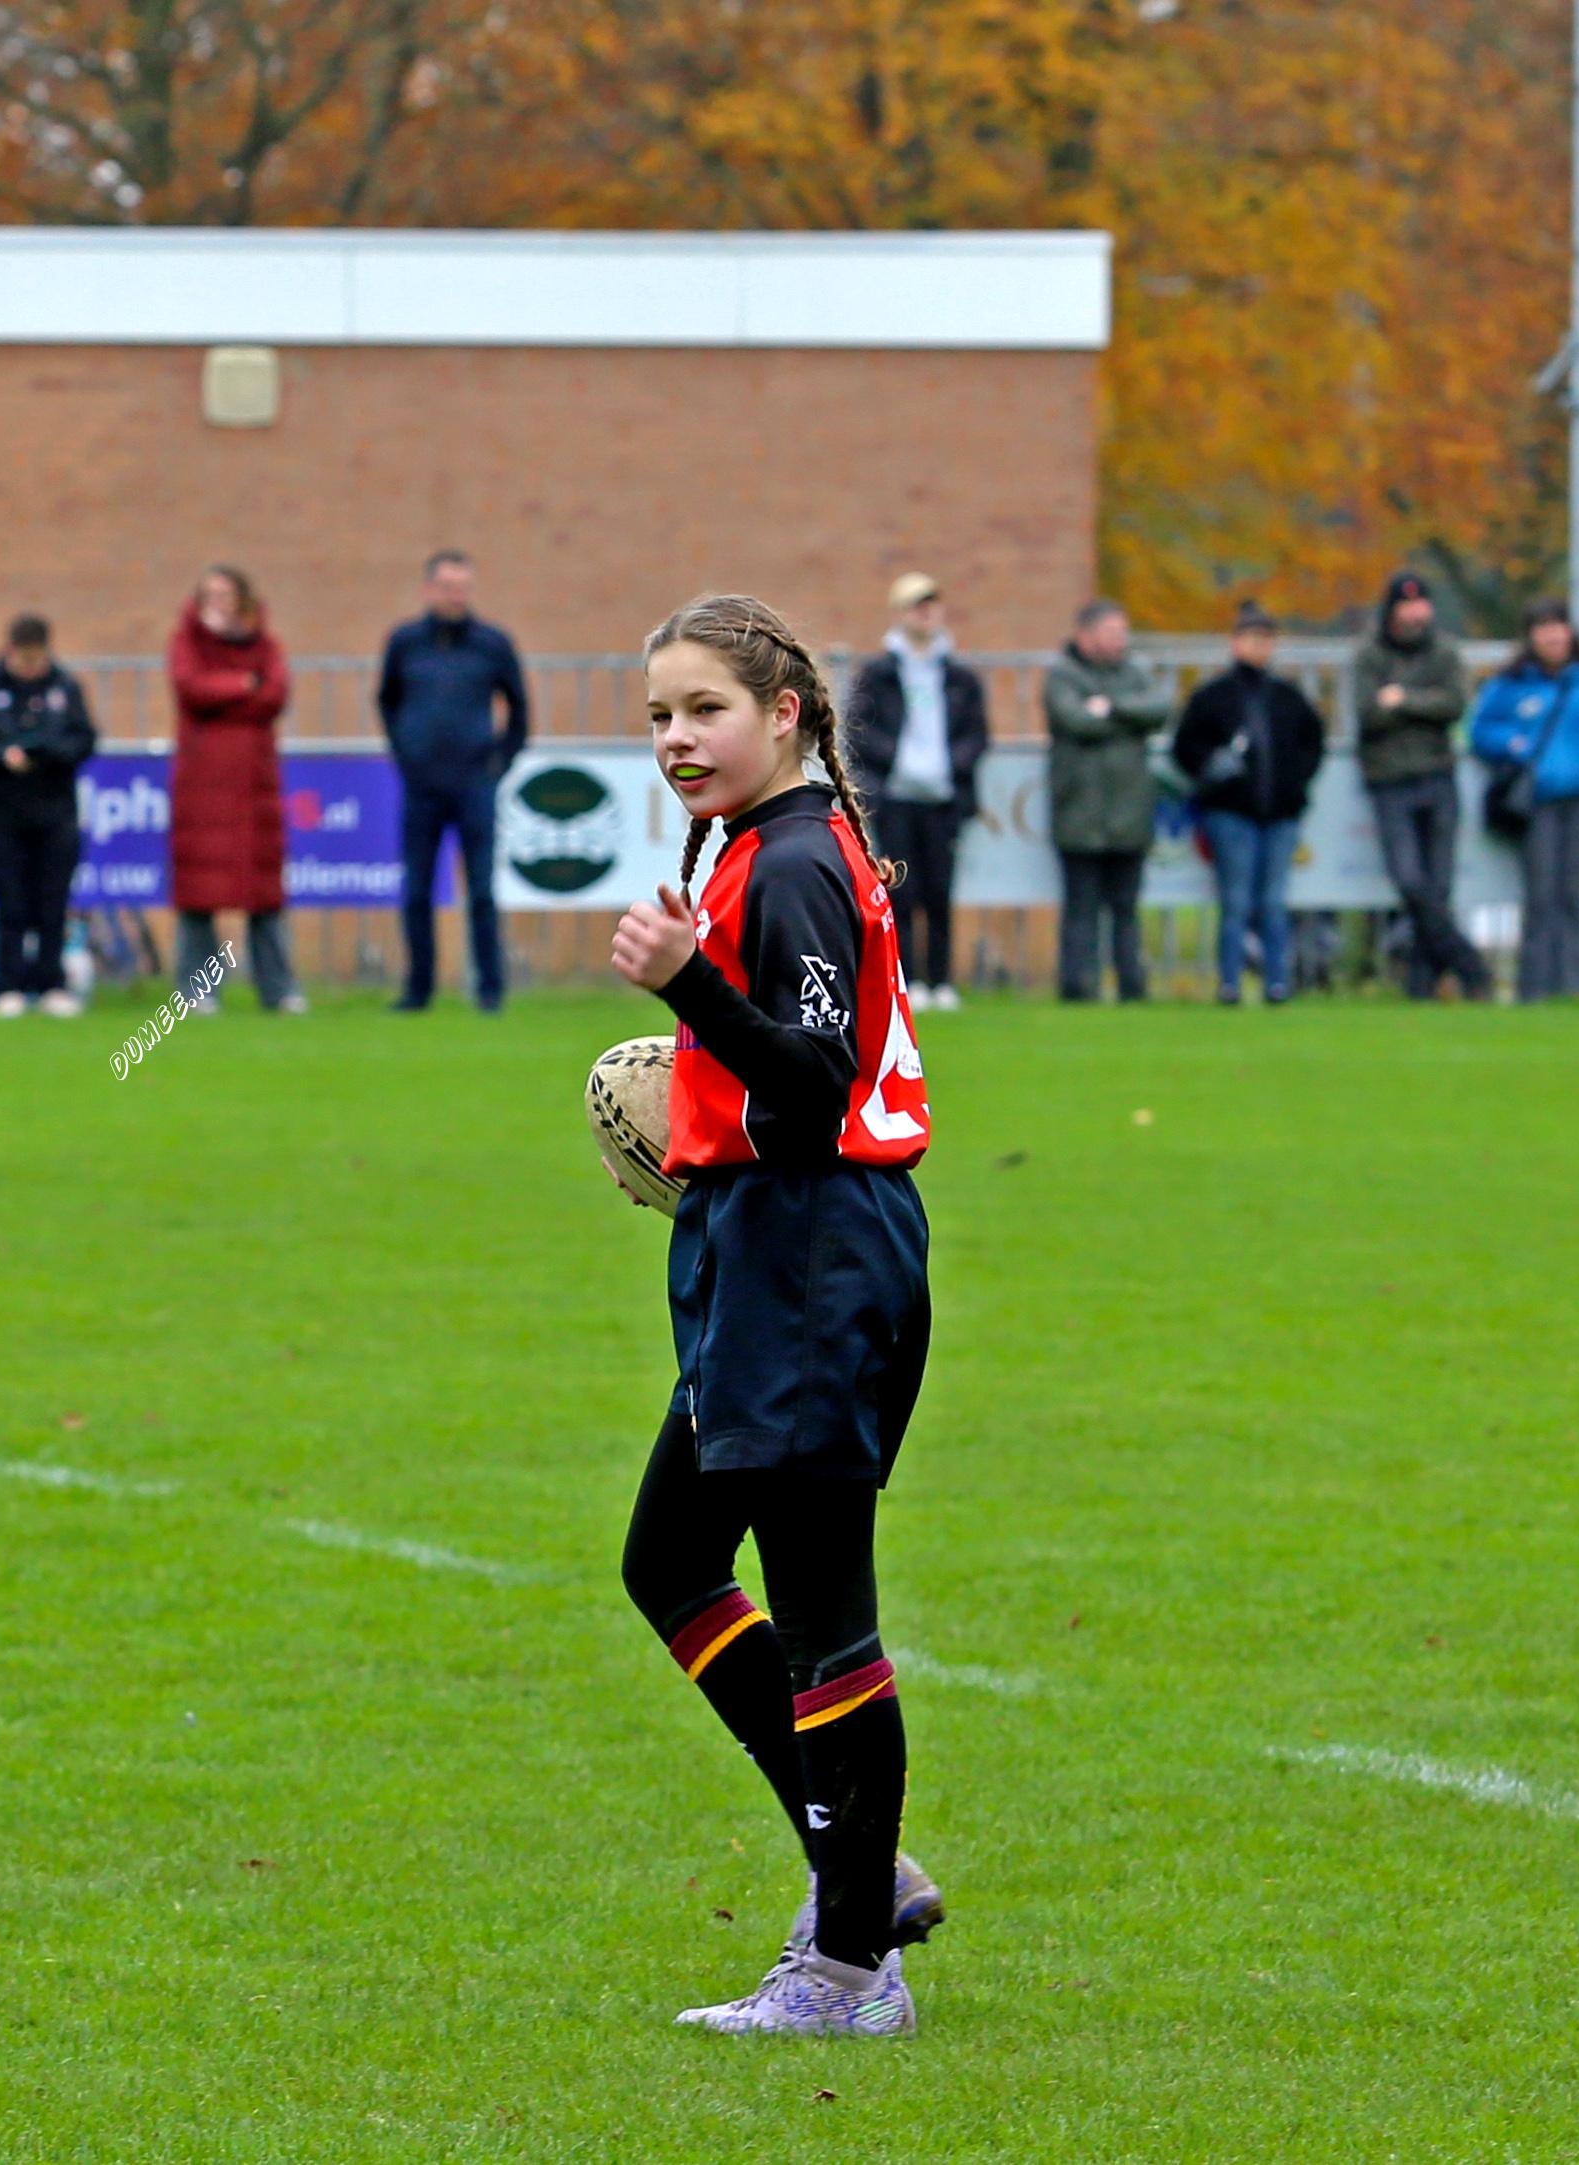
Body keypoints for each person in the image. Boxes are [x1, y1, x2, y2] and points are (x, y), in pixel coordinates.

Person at [605, 593, 938, 2042]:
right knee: (672, 1558)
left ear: (787, 713)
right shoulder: (760, 845)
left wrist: (690, 991)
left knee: (821, 1615)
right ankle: (860, 1870)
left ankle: (854, 1964)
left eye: (706, 711)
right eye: (660, 717)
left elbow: (809, 1080)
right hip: (768, 1249)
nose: (679, 739)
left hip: (813, 1256)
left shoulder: (792, 857)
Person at [375, 549, 530, 1013]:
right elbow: (387, 700)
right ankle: (417, 990)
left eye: (462, 587)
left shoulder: (492, 643)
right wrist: (405, 753)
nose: (454, 596)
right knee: (417, 890)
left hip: (474, 785)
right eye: (446, 587)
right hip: (421, 787)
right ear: (428, 589)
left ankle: (489, 990)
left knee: (481, 890)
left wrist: (498, 765)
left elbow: (519, 709)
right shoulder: (404, 643)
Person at [1468, 600, 1579, 1001]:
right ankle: (1535, 988)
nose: (1552, 635)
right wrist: (1512, 743)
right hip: (1538, 800)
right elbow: (1480, 730)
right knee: (1541, 896)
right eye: (1543, 627)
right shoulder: (1511, 684)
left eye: (1558, 626)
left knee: (1572, 896)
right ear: (1530, 636)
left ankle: (1575, 986)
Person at [843, 572, 988, 1011]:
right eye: (915, 605)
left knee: (940, 892)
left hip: (943, 799)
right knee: (899, 895)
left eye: (930, 604)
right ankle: (907, 980)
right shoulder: (878, 674)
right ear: (900, 613)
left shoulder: (960, 676)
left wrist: (950, 765)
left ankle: (941, 980)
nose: (924, 614)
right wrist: (899, 763)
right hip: (895, 798)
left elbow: (976, 735)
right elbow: (859, 731)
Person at [1171, 601, 1328, 1006]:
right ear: (1234, 643)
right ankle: (1230, 982)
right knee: (1236, 902)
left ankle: (1278, 982)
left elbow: (1314, 743)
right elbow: (1184, 747)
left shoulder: (1288, 698)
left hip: (1280, 814)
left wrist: (1296, 783)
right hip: (1230, 813)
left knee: (1274, 903)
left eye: (1265, 639)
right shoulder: (1213, 697)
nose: (1259, 647)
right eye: (1251, 638)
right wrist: (1211, 767)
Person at [166, 565, 303, 1013]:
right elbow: (191, 689)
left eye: (226, 594)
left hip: (255, 789)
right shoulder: (185, 643)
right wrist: (243, 683)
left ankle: (278, 990)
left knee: (263, 896)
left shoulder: (268, 645)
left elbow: (276, 694)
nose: (218, 603)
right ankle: (198, 991)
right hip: (201, 787)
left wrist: (230, 693)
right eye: (210, 594)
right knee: (198, 897)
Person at [1351, 571, 1493, 1001]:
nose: (1417, 613)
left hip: (1437, 774)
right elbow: (1366, 712)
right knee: (1410, 881)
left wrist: (1403, 699)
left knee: (1438, 886)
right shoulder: (1369, 655)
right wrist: (1417, 704)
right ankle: (1471, 966)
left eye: (1422, 604)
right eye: (1407, 606)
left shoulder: (1445, 652)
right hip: (1389, 779)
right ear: (1392, 610)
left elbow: (1453, 705)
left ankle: (1422, 985)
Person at [0, 613, 98, 1019]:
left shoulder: (66, 688)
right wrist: (3, 756)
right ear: (10, 651)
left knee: (53, 903)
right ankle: (10, 985)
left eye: (38, 659)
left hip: (56, 813)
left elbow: (85, 740)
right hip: (3, 813)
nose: (31, 668)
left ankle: (52, 984)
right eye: (24, 659)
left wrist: (51, 752)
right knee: (11, 903)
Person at [1042, 599, 1173, 1003]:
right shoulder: (1062, 675)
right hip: (1079, 815)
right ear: (1086, 635)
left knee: (1126, 909)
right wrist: (1123, 722)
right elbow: (1074, 719)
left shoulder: (1134, 672)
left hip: (1129, 815)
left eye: (1123, 633)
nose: (1121, 641)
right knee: (1081, 909)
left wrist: (1111, 708)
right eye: (1113, 633)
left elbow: (1159, 708)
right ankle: (1078, 987)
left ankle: (1133, 987)